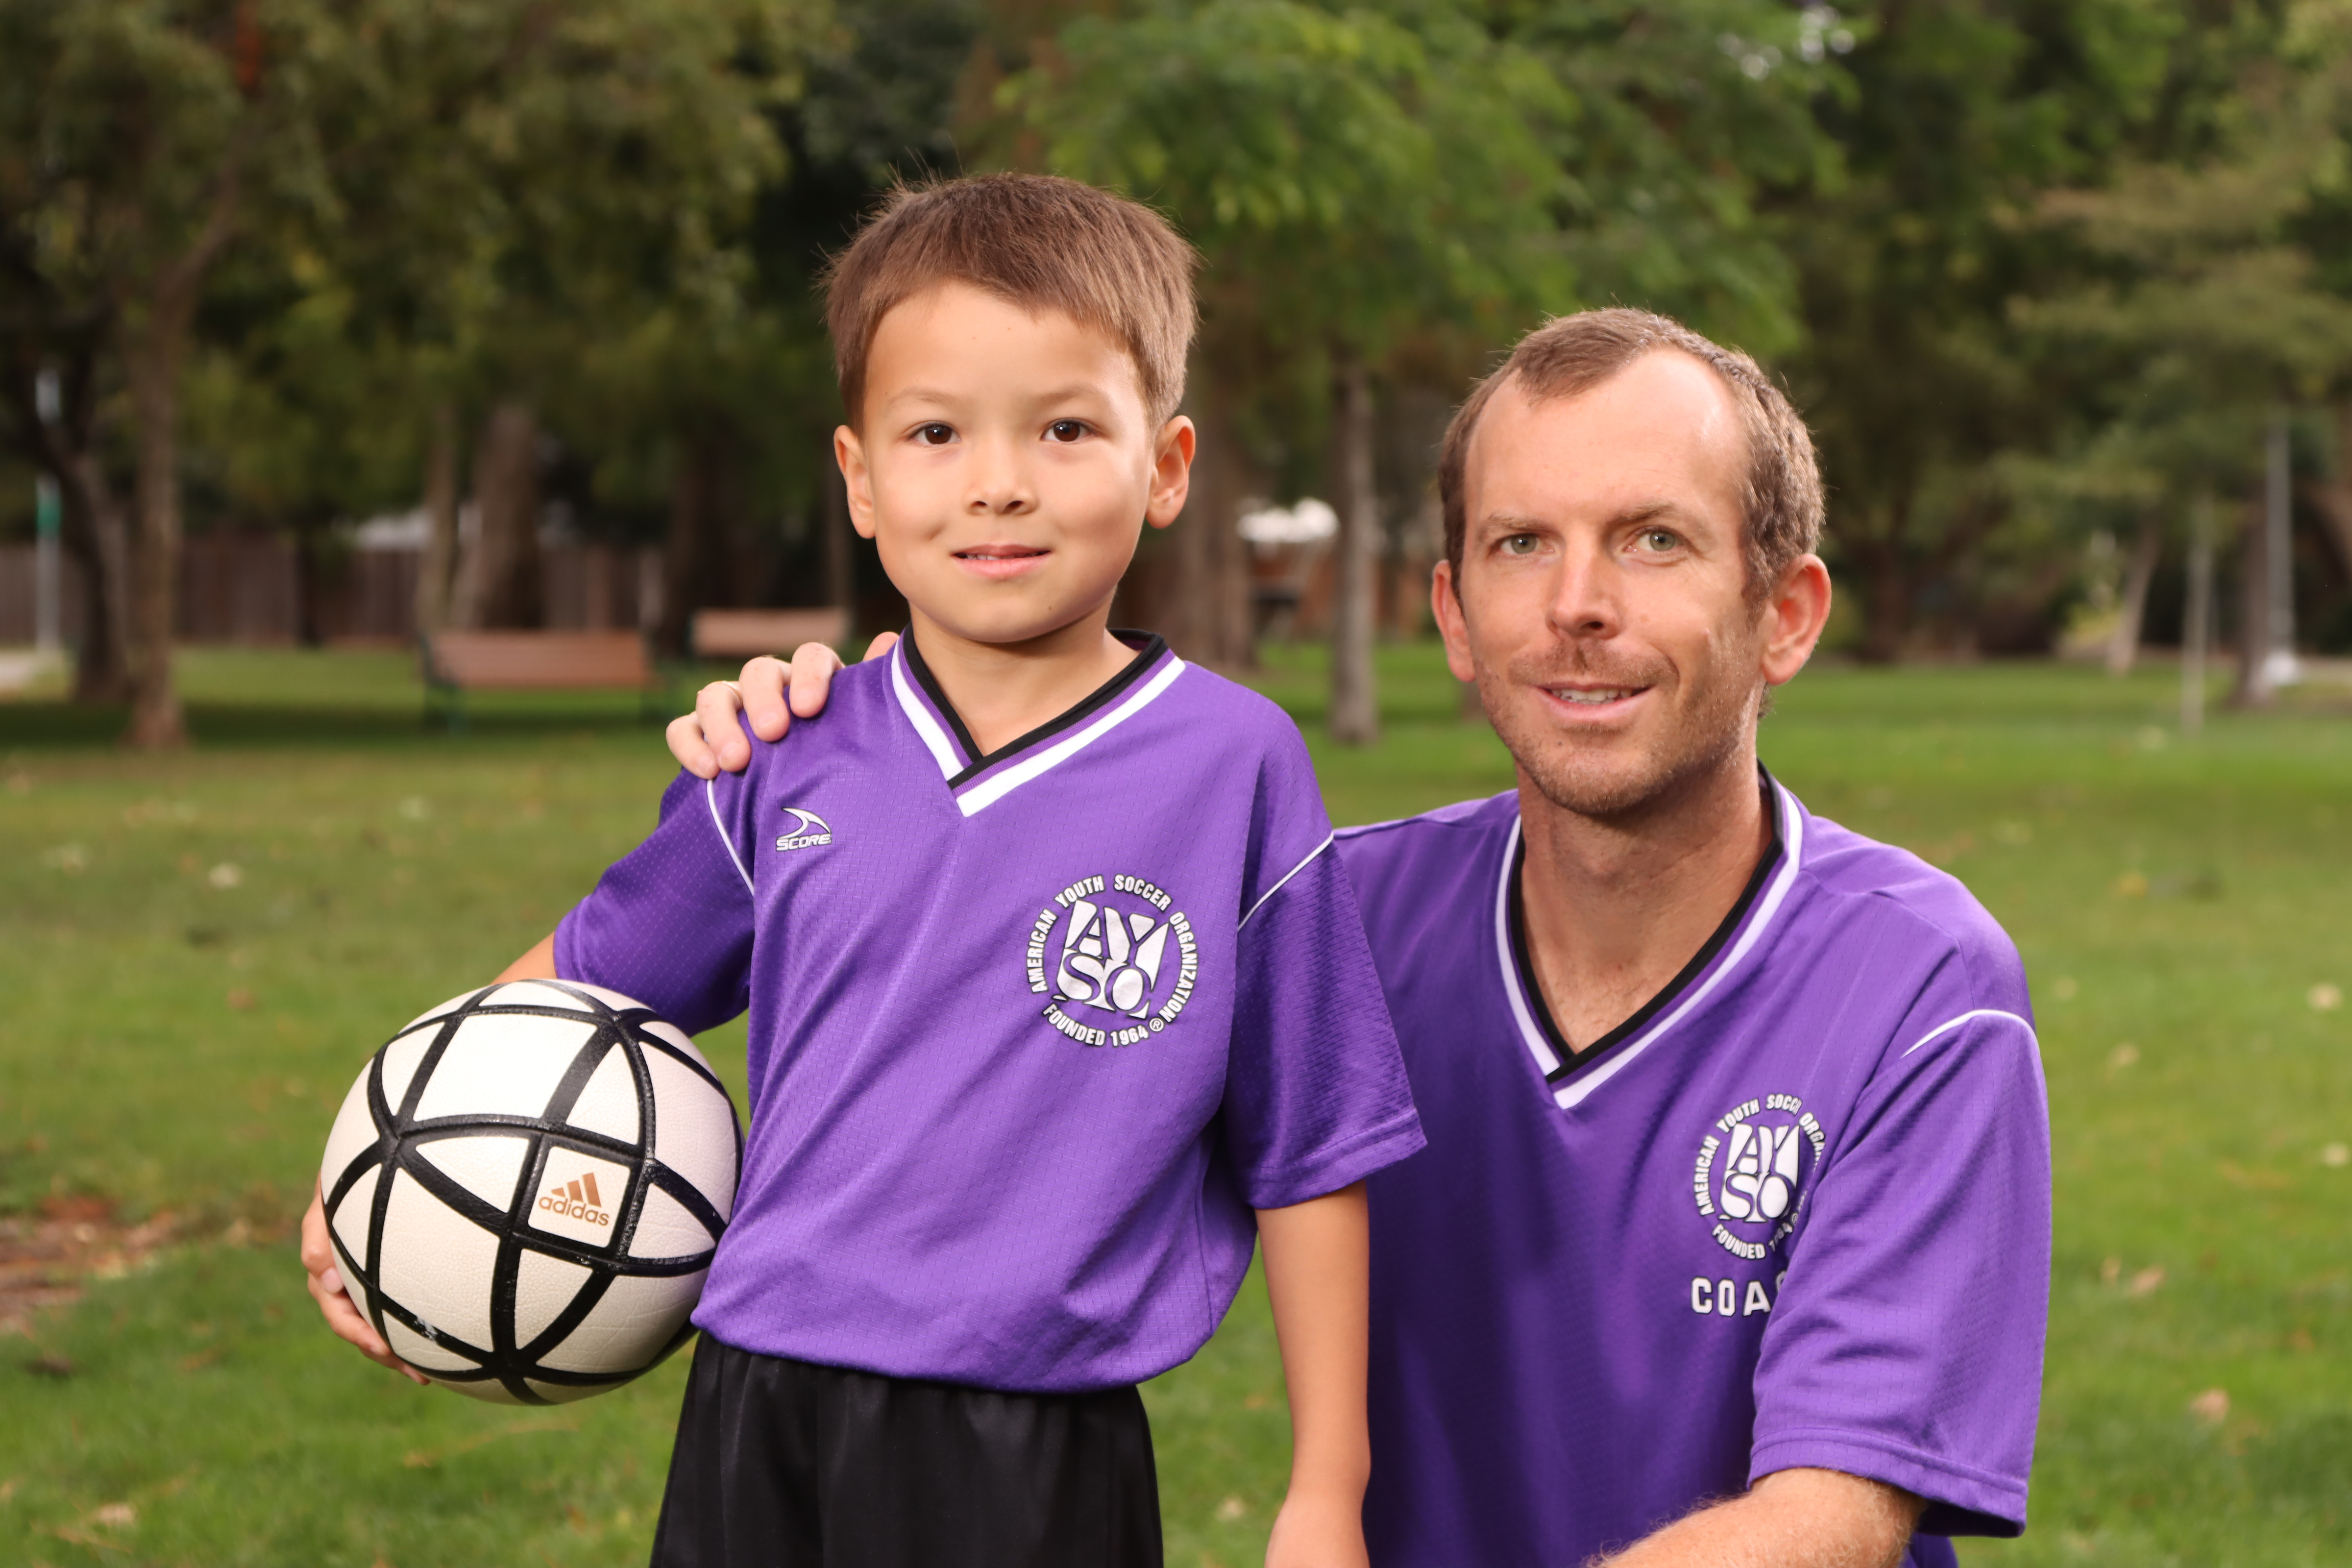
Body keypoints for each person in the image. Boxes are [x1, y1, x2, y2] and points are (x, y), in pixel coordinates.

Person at [673, 308, 2052, 1568]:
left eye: (1653, 541)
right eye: (1522, 544)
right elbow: (953, 995)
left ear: (1785, 616)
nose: (1578, 605)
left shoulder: (1919, 988)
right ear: (1454, 615)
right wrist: (849, 730)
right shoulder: (1331, 919)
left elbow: (1835, 1514)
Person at [301, 172, 1425, 1568]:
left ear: (1167, 465)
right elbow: (579, 987)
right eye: (937, 432)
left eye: (1067, 428)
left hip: (1035, 1445)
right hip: (755, 1410)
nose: (999, 482)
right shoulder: (787, 752)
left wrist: (1328, 1487)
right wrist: (382, 1164)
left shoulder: (1233, 767)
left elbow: (1311, 1147)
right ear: (860, 479)